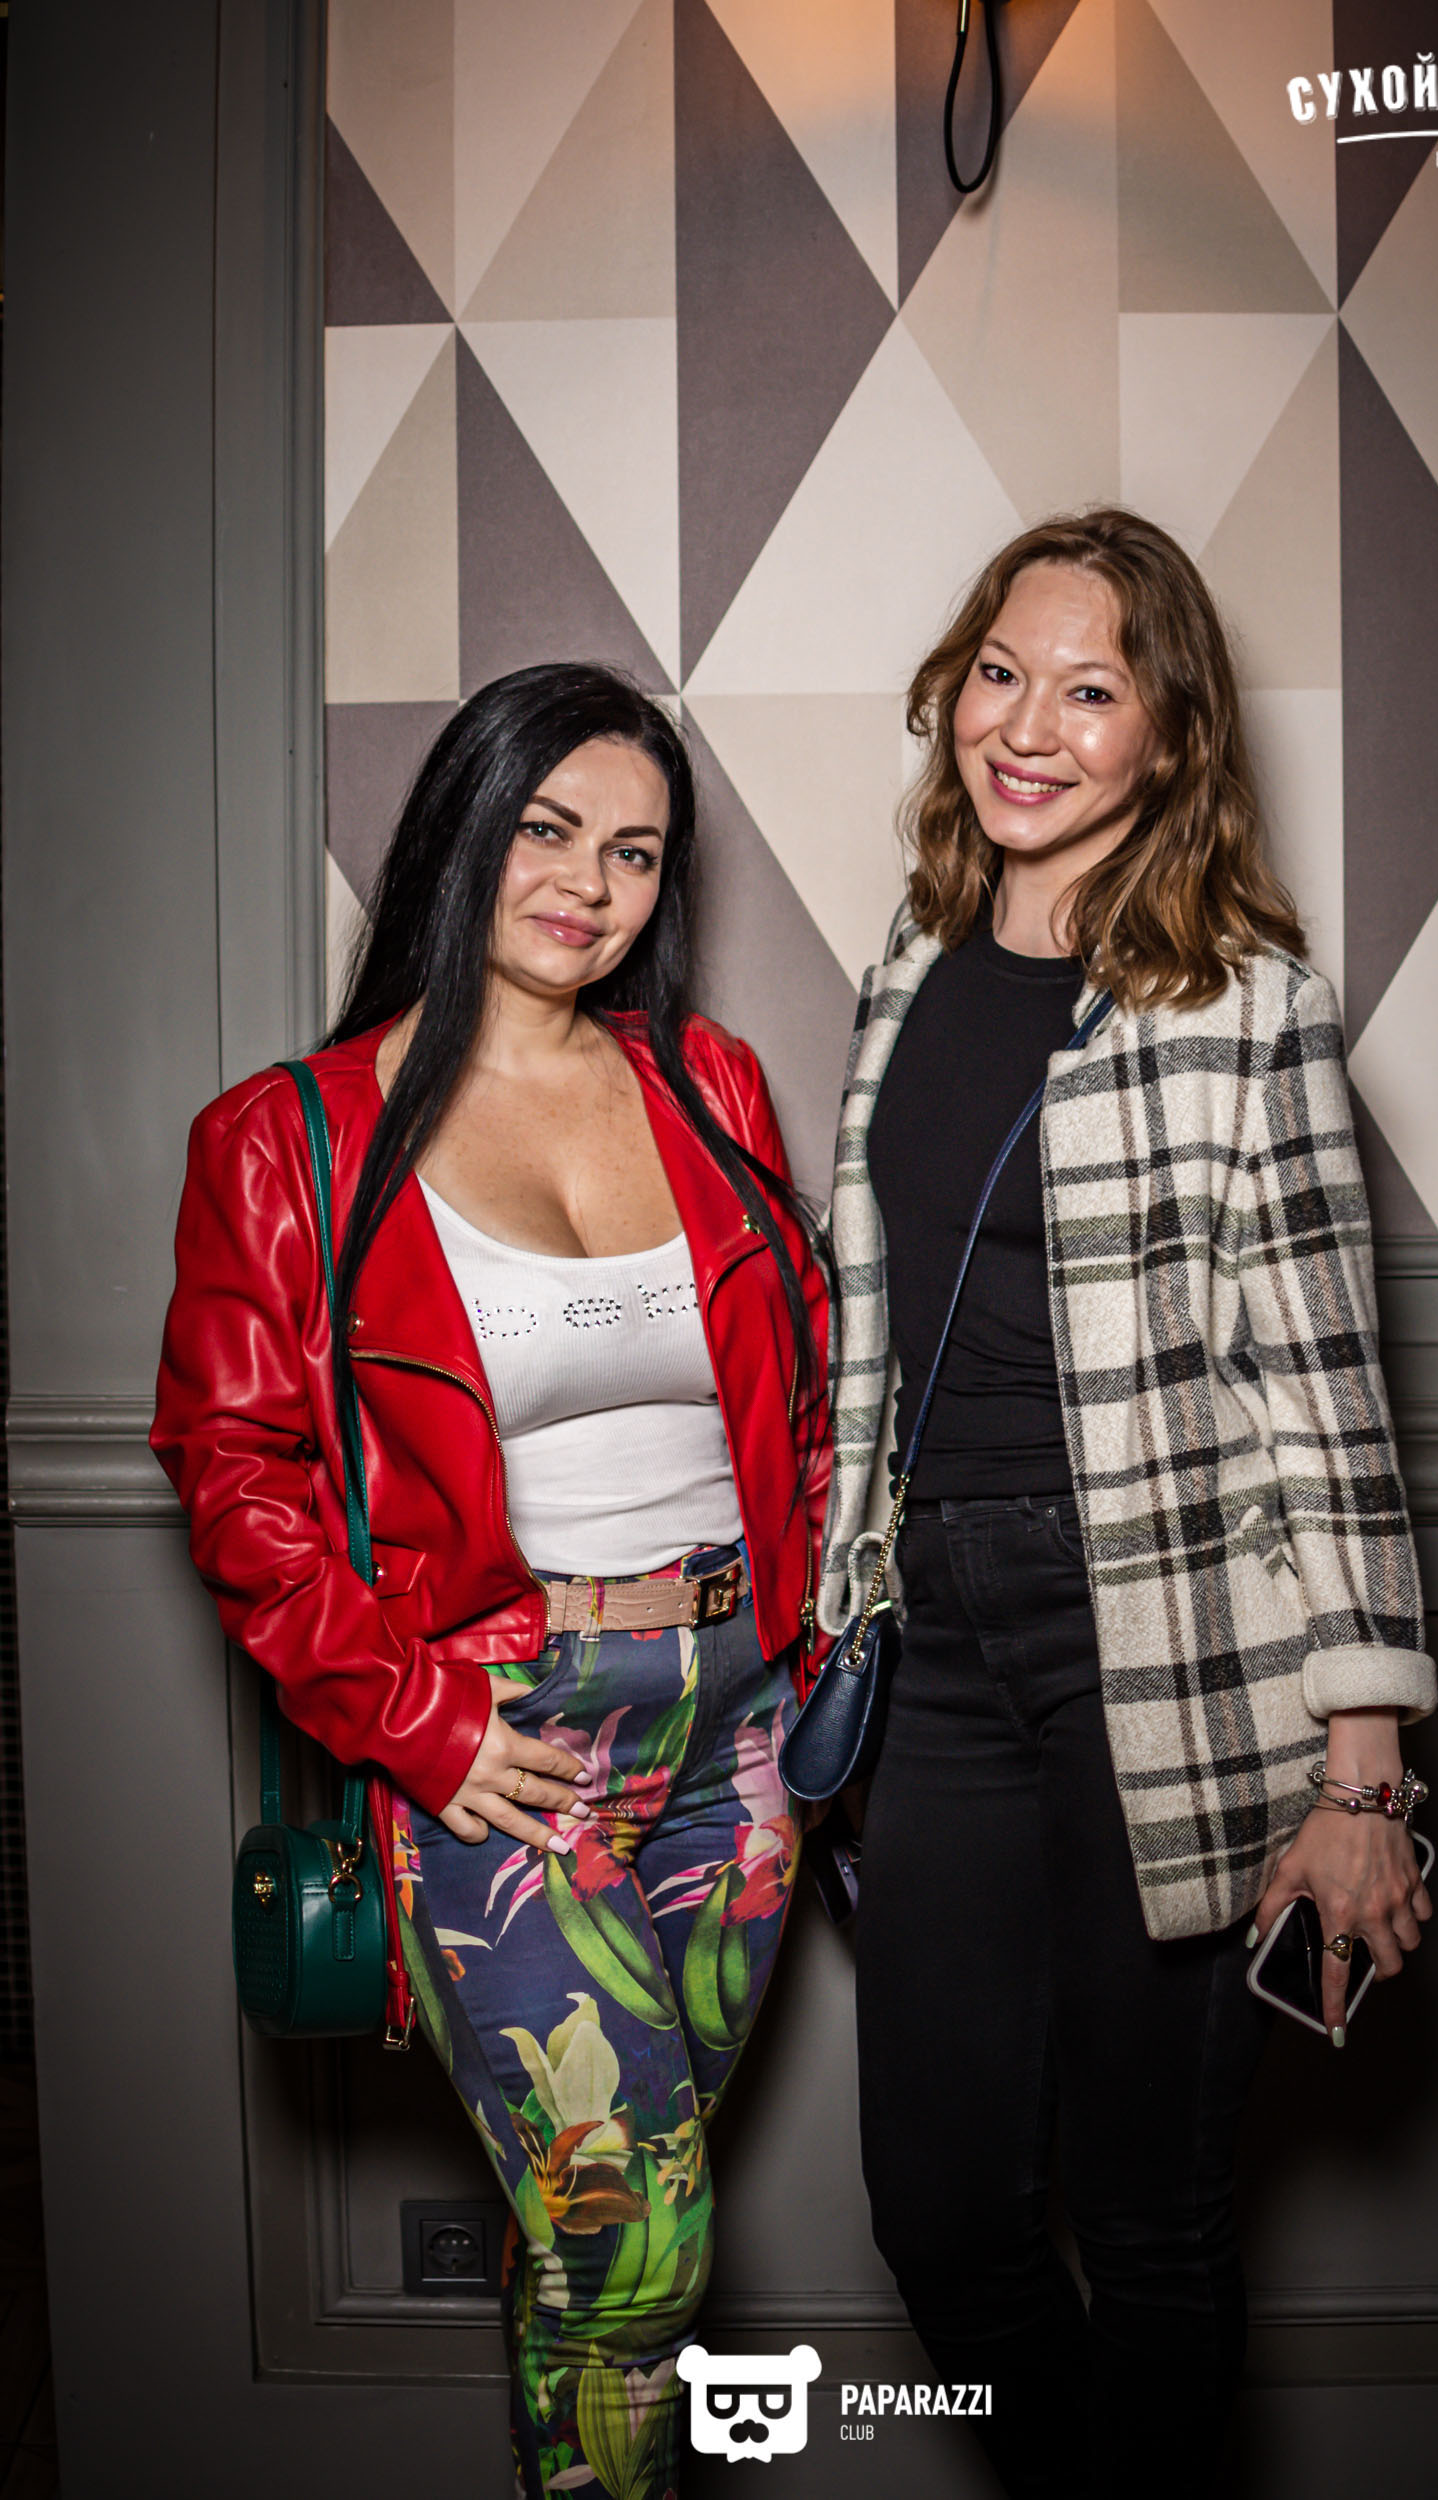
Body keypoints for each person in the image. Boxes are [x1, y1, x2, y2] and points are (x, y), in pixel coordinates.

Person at [153, 664, 828, 2500]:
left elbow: (799, 1399)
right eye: (548, 828)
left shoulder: (708, 1084)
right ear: (464, 823)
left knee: (603, 2234)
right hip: (511, 1746)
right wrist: (419, 1722)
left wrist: (821, 1654)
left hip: (742, 1736)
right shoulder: (286, 1140)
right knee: (642, 2251)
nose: (589, 886)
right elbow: (234, 1476)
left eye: (636, 852)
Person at [816, 510, 1436, 2497]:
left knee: (1152, 2219)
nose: (1029, 726)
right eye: (1002, 672)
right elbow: (871, 1329)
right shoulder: (909, 966)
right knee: (942, 2215)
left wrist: (1362, 1783)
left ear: (1171, 734)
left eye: (1091, 690)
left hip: (1155, 1645)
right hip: (938, 1649)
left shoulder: (1247, 1000)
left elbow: (1329, 1393)